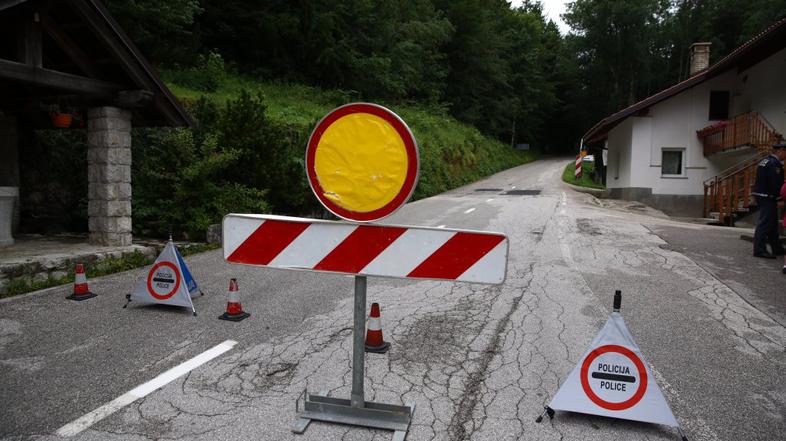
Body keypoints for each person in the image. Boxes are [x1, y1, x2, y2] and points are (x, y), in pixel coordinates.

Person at [752, 141, 786, 258]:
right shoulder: (774, 164)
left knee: (772, 224)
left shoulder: (765, 161)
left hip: (761, 195)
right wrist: (779, 198)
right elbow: (774, 183)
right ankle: (759, 250)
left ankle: (777, 247)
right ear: (780, 151)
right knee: (765, 223)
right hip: (768, 196)